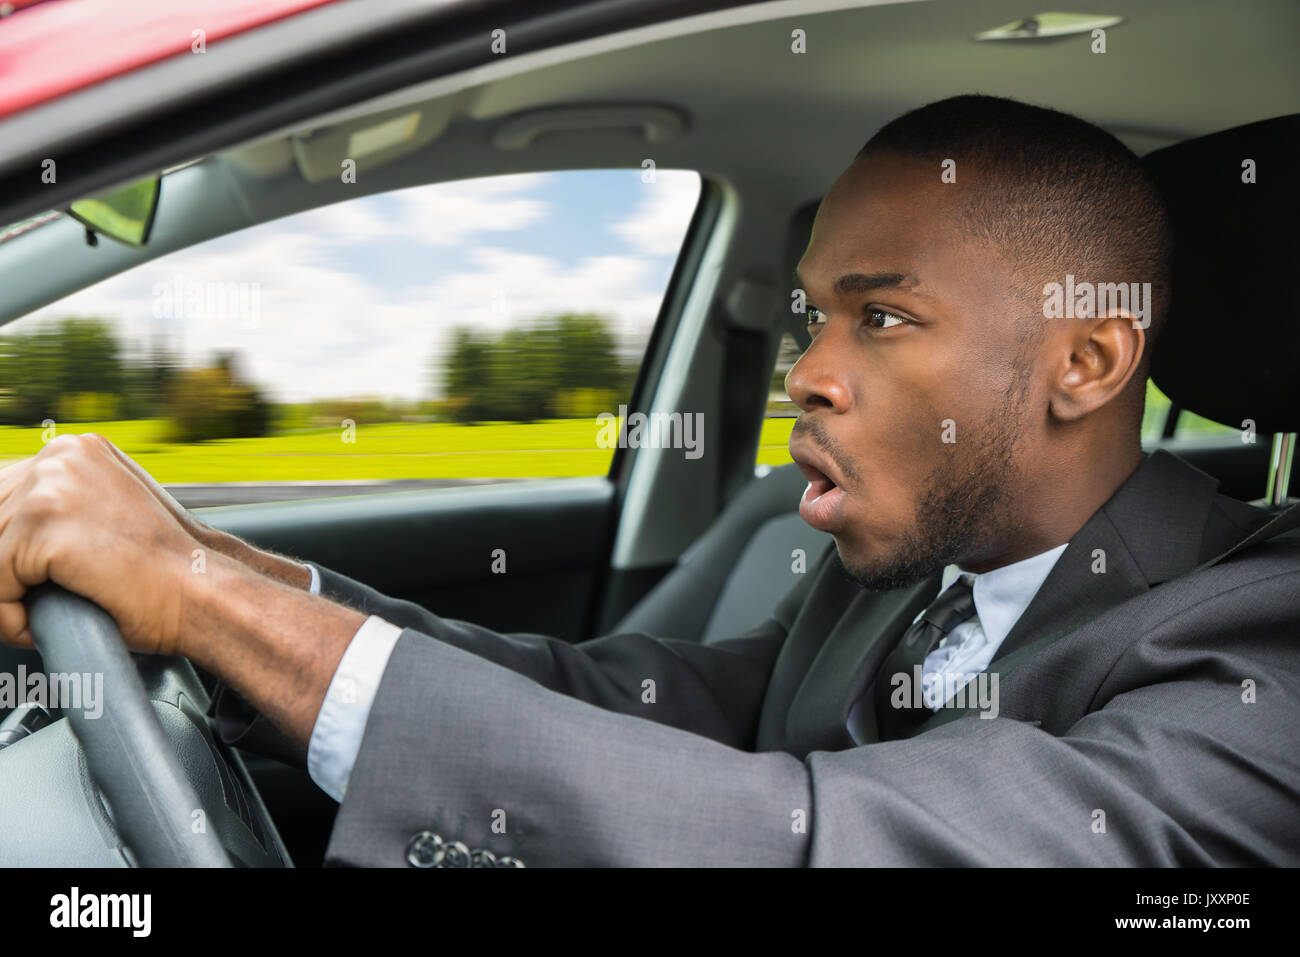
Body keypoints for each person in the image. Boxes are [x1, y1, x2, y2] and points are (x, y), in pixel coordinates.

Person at [3, 95, 1298, 866]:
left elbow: (819, 838)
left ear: (1085, 358)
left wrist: (210, 606)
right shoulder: (894, 582)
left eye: (884, 317)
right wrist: (223, 571)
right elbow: (627, 700)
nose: (810, 373)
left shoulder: (1259, 647)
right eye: (811, 319)